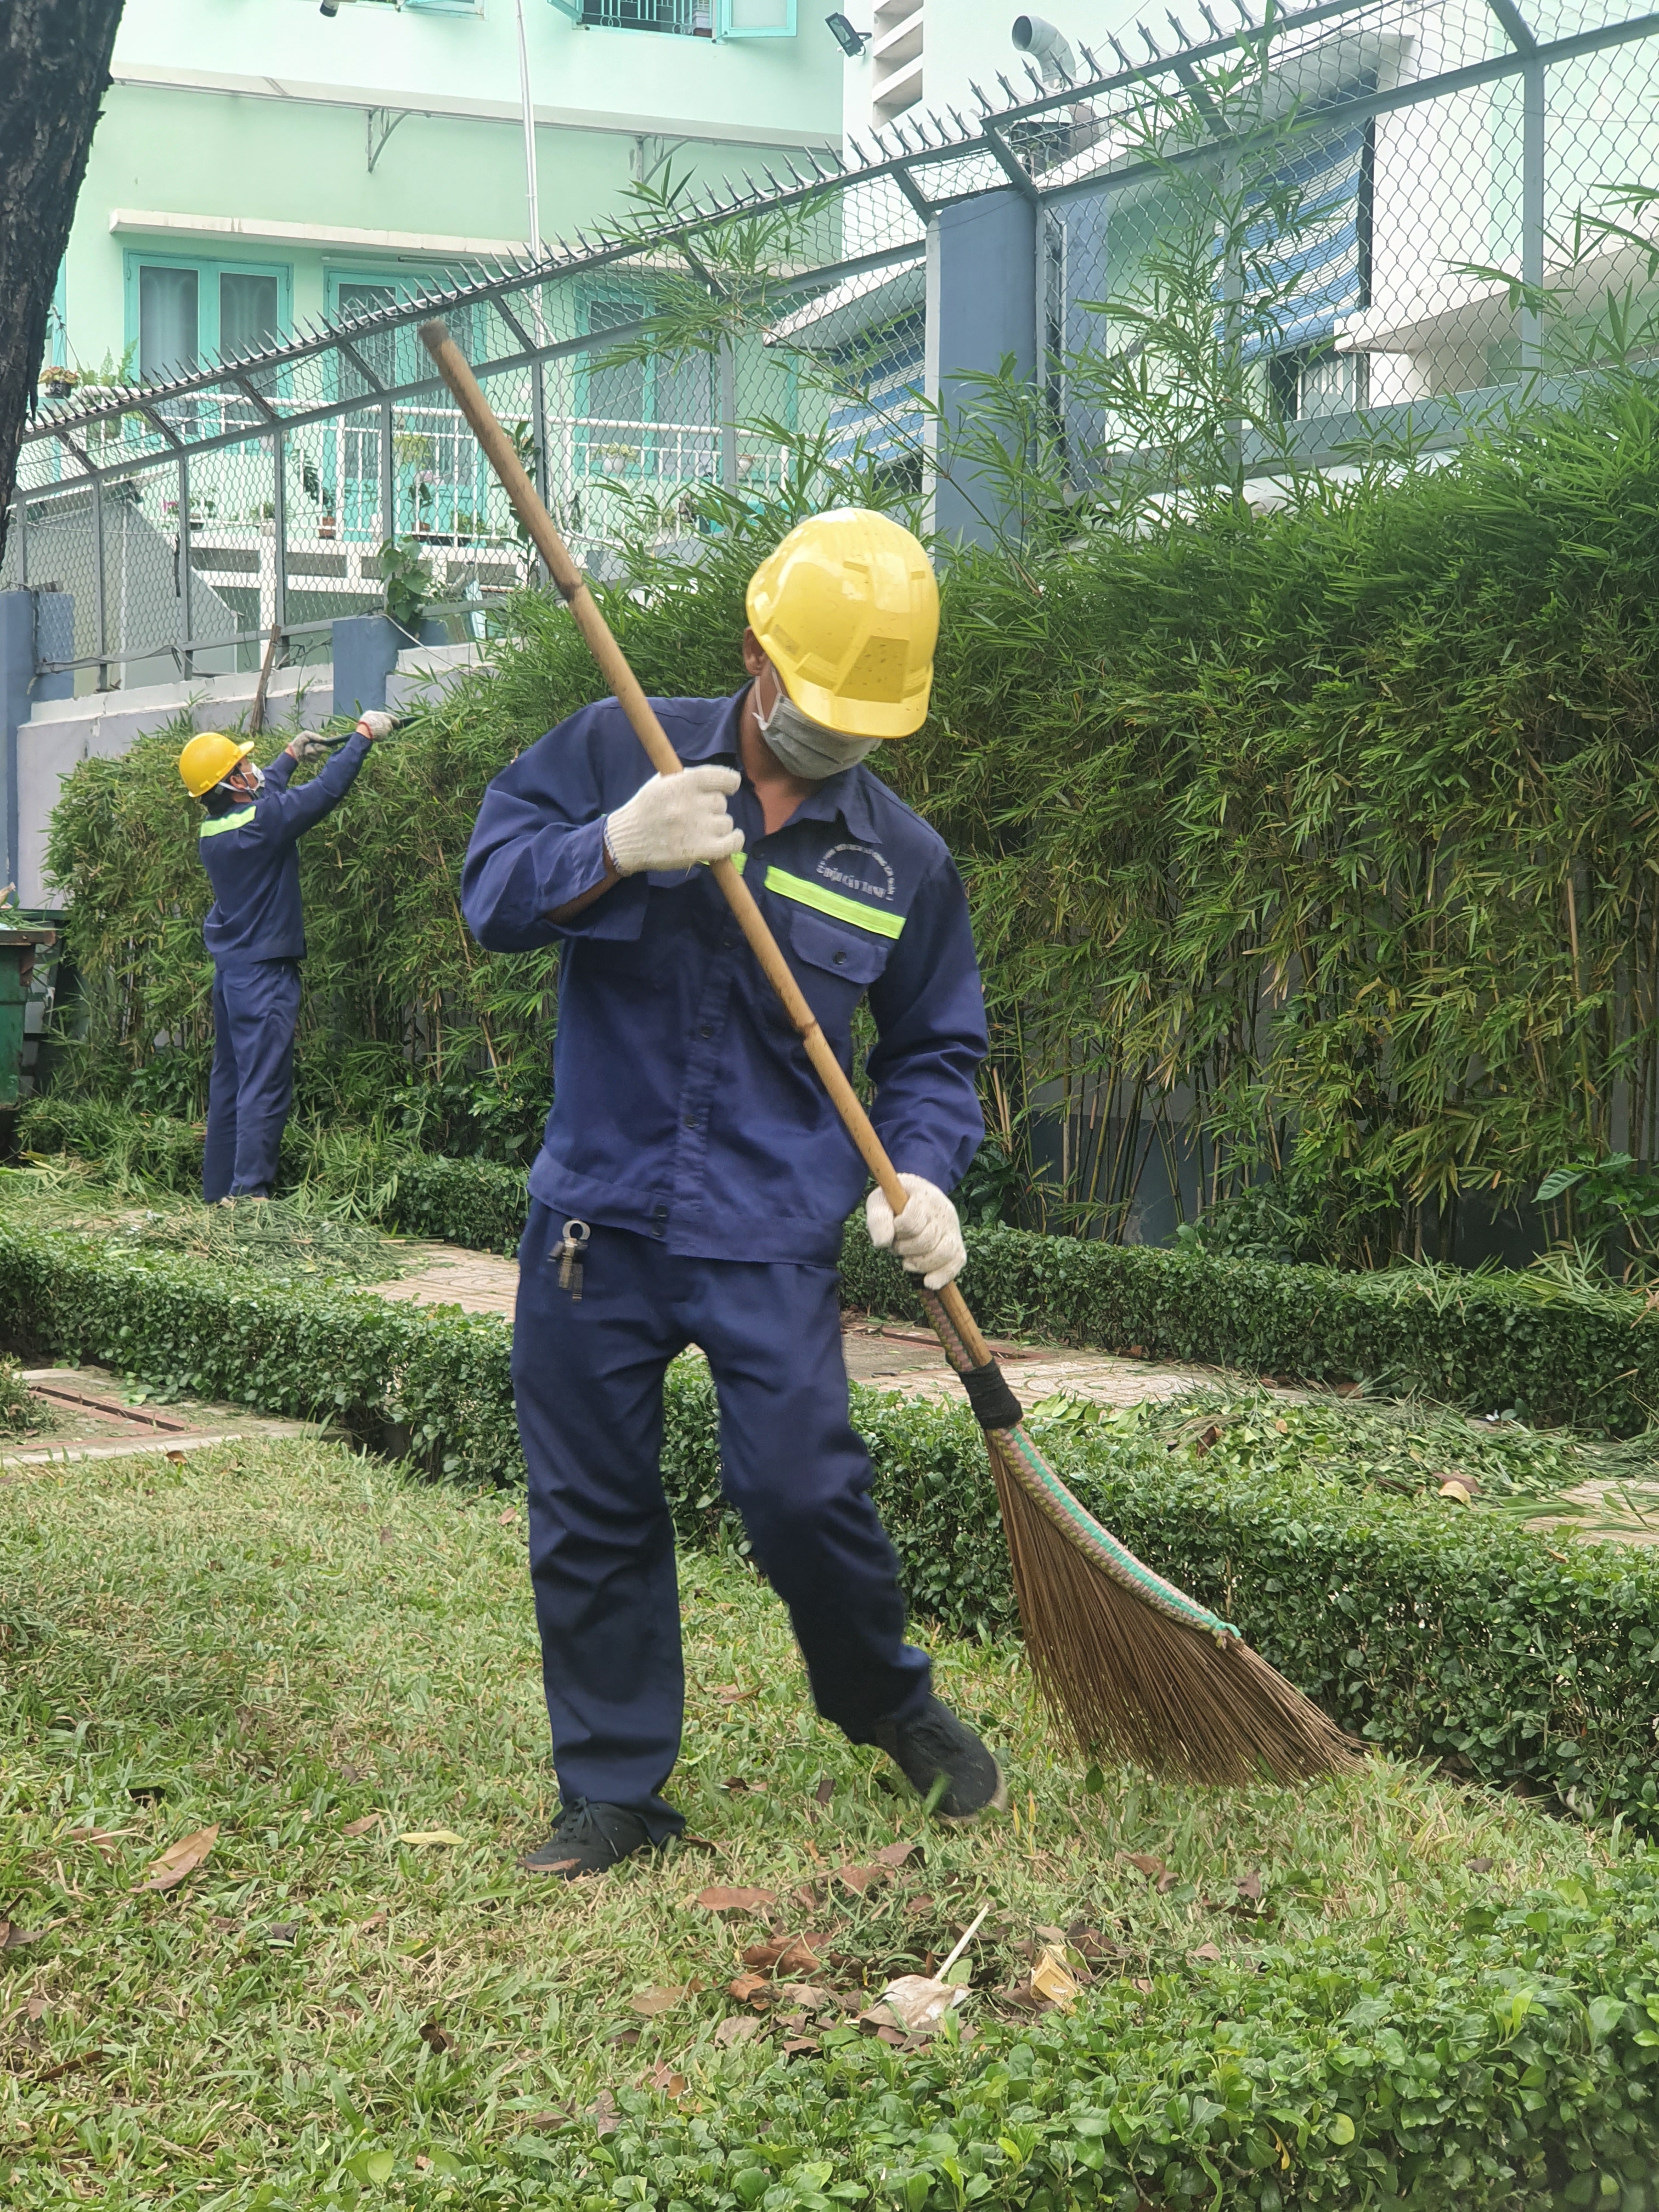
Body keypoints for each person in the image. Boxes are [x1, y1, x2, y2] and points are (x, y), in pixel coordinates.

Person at [461, 508, 1004, 1879]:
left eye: (869, 723)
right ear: (756, 649)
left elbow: (937, 1048)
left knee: (805, 1491)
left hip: (770, 1230)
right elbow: (488, 897)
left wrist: (925, 1171)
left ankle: (882, 1697)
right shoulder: (614, 751)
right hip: (598, 1215)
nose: (840, 738)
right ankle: (615, 1794)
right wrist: (609, 847)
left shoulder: (903, 863)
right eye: (822, 706)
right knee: (592, 1510)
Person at [178, 712, 390, 1203]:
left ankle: (220, 1196)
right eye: (244, 767)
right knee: (265, 1086)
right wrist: (360, 739)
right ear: (231, 783)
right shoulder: (262, 824)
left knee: (231, 1084)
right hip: (265, 978)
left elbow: (265, 794)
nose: (253, 771)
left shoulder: (215, 830)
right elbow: (323, 795)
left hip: (233, 977)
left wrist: (290, 756)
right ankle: (250, 1196)